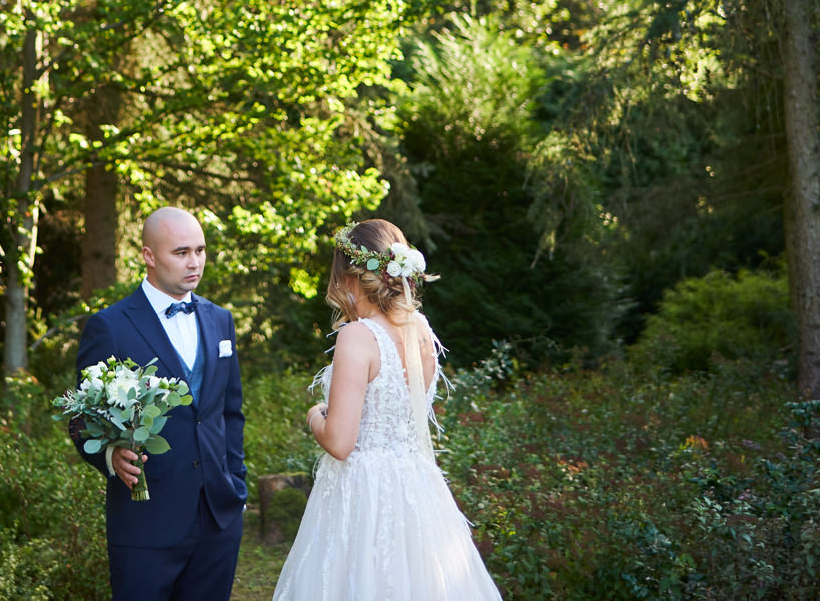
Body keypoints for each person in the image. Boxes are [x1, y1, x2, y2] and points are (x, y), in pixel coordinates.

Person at [272, 219, 503, 601]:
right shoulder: (421, 330)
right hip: (415, 488)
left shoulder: (357, 336)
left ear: (349, 276)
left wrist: (315, 414)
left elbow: (340, 443)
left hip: (362, 493)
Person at [72, 206, 249, 601]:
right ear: (148, 256)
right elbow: (81, 418)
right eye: (181, 252)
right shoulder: (111, 325)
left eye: (200, 250)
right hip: (146, 522)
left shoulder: (221, 320)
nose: (195, 262)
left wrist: (237, 483)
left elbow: (230, 412)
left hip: (218, 518)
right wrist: (110, 454)